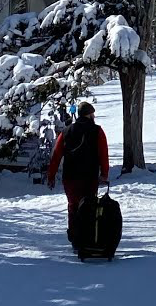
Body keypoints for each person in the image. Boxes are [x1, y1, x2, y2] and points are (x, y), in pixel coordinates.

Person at [46, 101, 110, 246]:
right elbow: (103, 154)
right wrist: (104, 173)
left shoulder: (66, 131)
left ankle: (75, 237)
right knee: (88, 205)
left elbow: (56, 155)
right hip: (89, 176)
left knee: (73, 206)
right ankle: (87, 237)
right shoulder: (97, 131)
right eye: (93, 114)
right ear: (89, 114)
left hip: (70, 177)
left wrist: (51, 175)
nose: (94, 116)